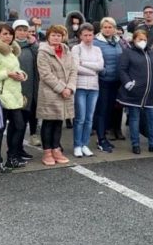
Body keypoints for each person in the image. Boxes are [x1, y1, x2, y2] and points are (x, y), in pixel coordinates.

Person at [0, 24, 27, 172]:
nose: (8, 37)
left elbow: (15, 69)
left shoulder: (11, 51)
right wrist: (7, 74)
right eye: (5, 34)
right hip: (0, 96)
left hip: (13, 95)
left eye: (10, 34)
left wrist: (21, 75)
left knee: (19, 127)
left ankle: (11, 158)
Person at [117, 29, 153, 154]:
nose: (142, 41)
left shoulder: (151, 53)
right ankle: (135, 144)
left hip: (151, 94)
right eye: (139, 39)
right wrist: (128, 84)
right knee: (134, 119)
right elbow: (122, 70)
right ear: (134, 40)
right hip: (135, 93)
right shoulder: (128, 53)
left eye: (144, 39)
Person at [36, 24, 77, 165]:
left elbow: (73, 70)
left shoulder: (67, 50)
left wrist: (70, 88)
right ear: (48, 36)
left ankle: (56, 149)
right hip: (50, 93)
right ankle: (47, 152)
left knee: (59, 122)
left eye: (59, 35)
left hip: (66, 93)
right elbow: (45, 74)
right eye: (53, 35)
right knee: (48, 122)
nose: (56, 38)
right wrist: (62, 88)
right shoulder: (43, 52)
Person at [71, 23, 103, 157]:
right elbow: (75, 67)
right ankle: (77, 145)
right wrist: (91, 71)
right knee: (80, 118)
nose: (88, 38)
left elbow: (100, 66)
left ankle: (85, 144)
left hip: (94, 87)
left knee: (89, 118)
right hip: (80, 86)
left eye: (90, 35)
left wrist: (84, 63)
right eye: (85, 35)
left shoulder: (97, 49)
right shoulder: (76, 48)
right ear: (80, 36)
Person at [93, 17, 123, 152]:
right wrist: (103, 71)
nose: (107, 29)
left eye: (110, 27)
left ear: (114, 29)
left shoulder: (119, 42)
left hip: (116, 82)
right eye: (105, 27)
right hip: (103, 81)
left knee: (111, 110)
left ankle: (105, 136)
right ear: (101, 28)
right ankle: (101, 138)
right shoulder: (96, 42)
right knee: (102, 111)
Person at [12, 20, 38, 159]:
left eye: (25, 30)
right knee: (17, 124)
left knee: (25, 121)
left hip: (30, 89)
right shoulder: (11, 46)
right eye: (19, 29)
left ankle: (20, 149)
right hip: (15, 90)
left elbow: (39, 55)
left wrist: (33, 42)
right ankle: (13, 151)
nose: (22, 32)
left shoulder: (31, 46)